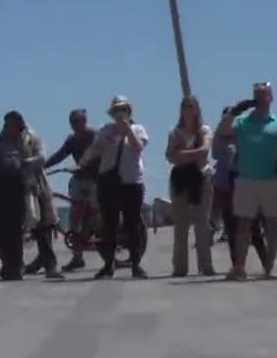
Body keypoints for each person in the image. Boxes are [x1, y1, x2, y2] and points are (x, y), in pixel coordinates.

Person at [218, 83, 277, 281]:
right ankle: (240, 268)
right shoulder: (242, 121)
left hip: (272, 180)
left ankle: (271, 265)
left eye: (264, 95)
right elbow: (223, 131)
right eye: (257, 95)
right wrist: (235, 110)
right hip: (246, 180)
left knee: (273, 224)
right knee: (243, 224)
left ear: (271, 98)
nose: (261, 99)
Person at [79, 96, 150, 279]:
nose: (120, 113)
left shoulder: (138, 129)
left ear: (129, 111)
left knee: (132, 224)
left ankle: (136, 264)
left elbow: (137, 147)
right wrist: (82, 162)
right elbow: (95, 149)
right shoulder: (106, 130)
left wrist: (127, 130)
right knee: (108, 224)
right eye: (117, 110)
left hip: (131, 183)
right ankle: (108, 264)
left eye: (123, 109)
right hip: (108, 182)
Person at [0, 111, 62, 280]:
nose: (8, 127)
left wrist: (26, 162)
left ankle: (50, 265)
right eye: (6, 124)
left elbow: (42, 157)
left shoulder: (31, 137)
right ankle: (13, 266)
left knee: (43, 224)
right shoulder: (1, 140)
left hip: (33, 183)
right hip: (8, 187)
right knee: (9, 228)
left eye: (11, 124)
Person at [44, 109, 98, 272]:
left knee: (96, 214)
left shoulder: (94, 136)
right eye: (73, 122)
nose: (75, 125)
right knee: (74, 216)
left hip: (95, 179)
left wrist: (82, 166)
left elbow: (98, 156)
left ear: (85, 121)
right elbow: (60, 155)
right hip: (79, 180)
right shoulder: (72, 140)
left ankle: (106, 247)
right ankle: (77, 257)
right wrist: (43, 166)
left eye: (78, 121)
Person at [166, 96, 215, 277]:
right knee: (181, 224)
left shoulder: (204, 130)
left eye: (192, 106)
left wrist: (183, 153)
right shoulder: (175, 132)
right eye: (185, 106)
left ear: (197, 109)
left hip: (201, 177)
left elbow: (204, 151)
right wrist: (191, 155)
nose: (188, 109)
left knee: (202, 223)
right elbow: (170, 156)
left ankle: (206, 265)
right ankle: (180, 267)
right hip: (180, 178)